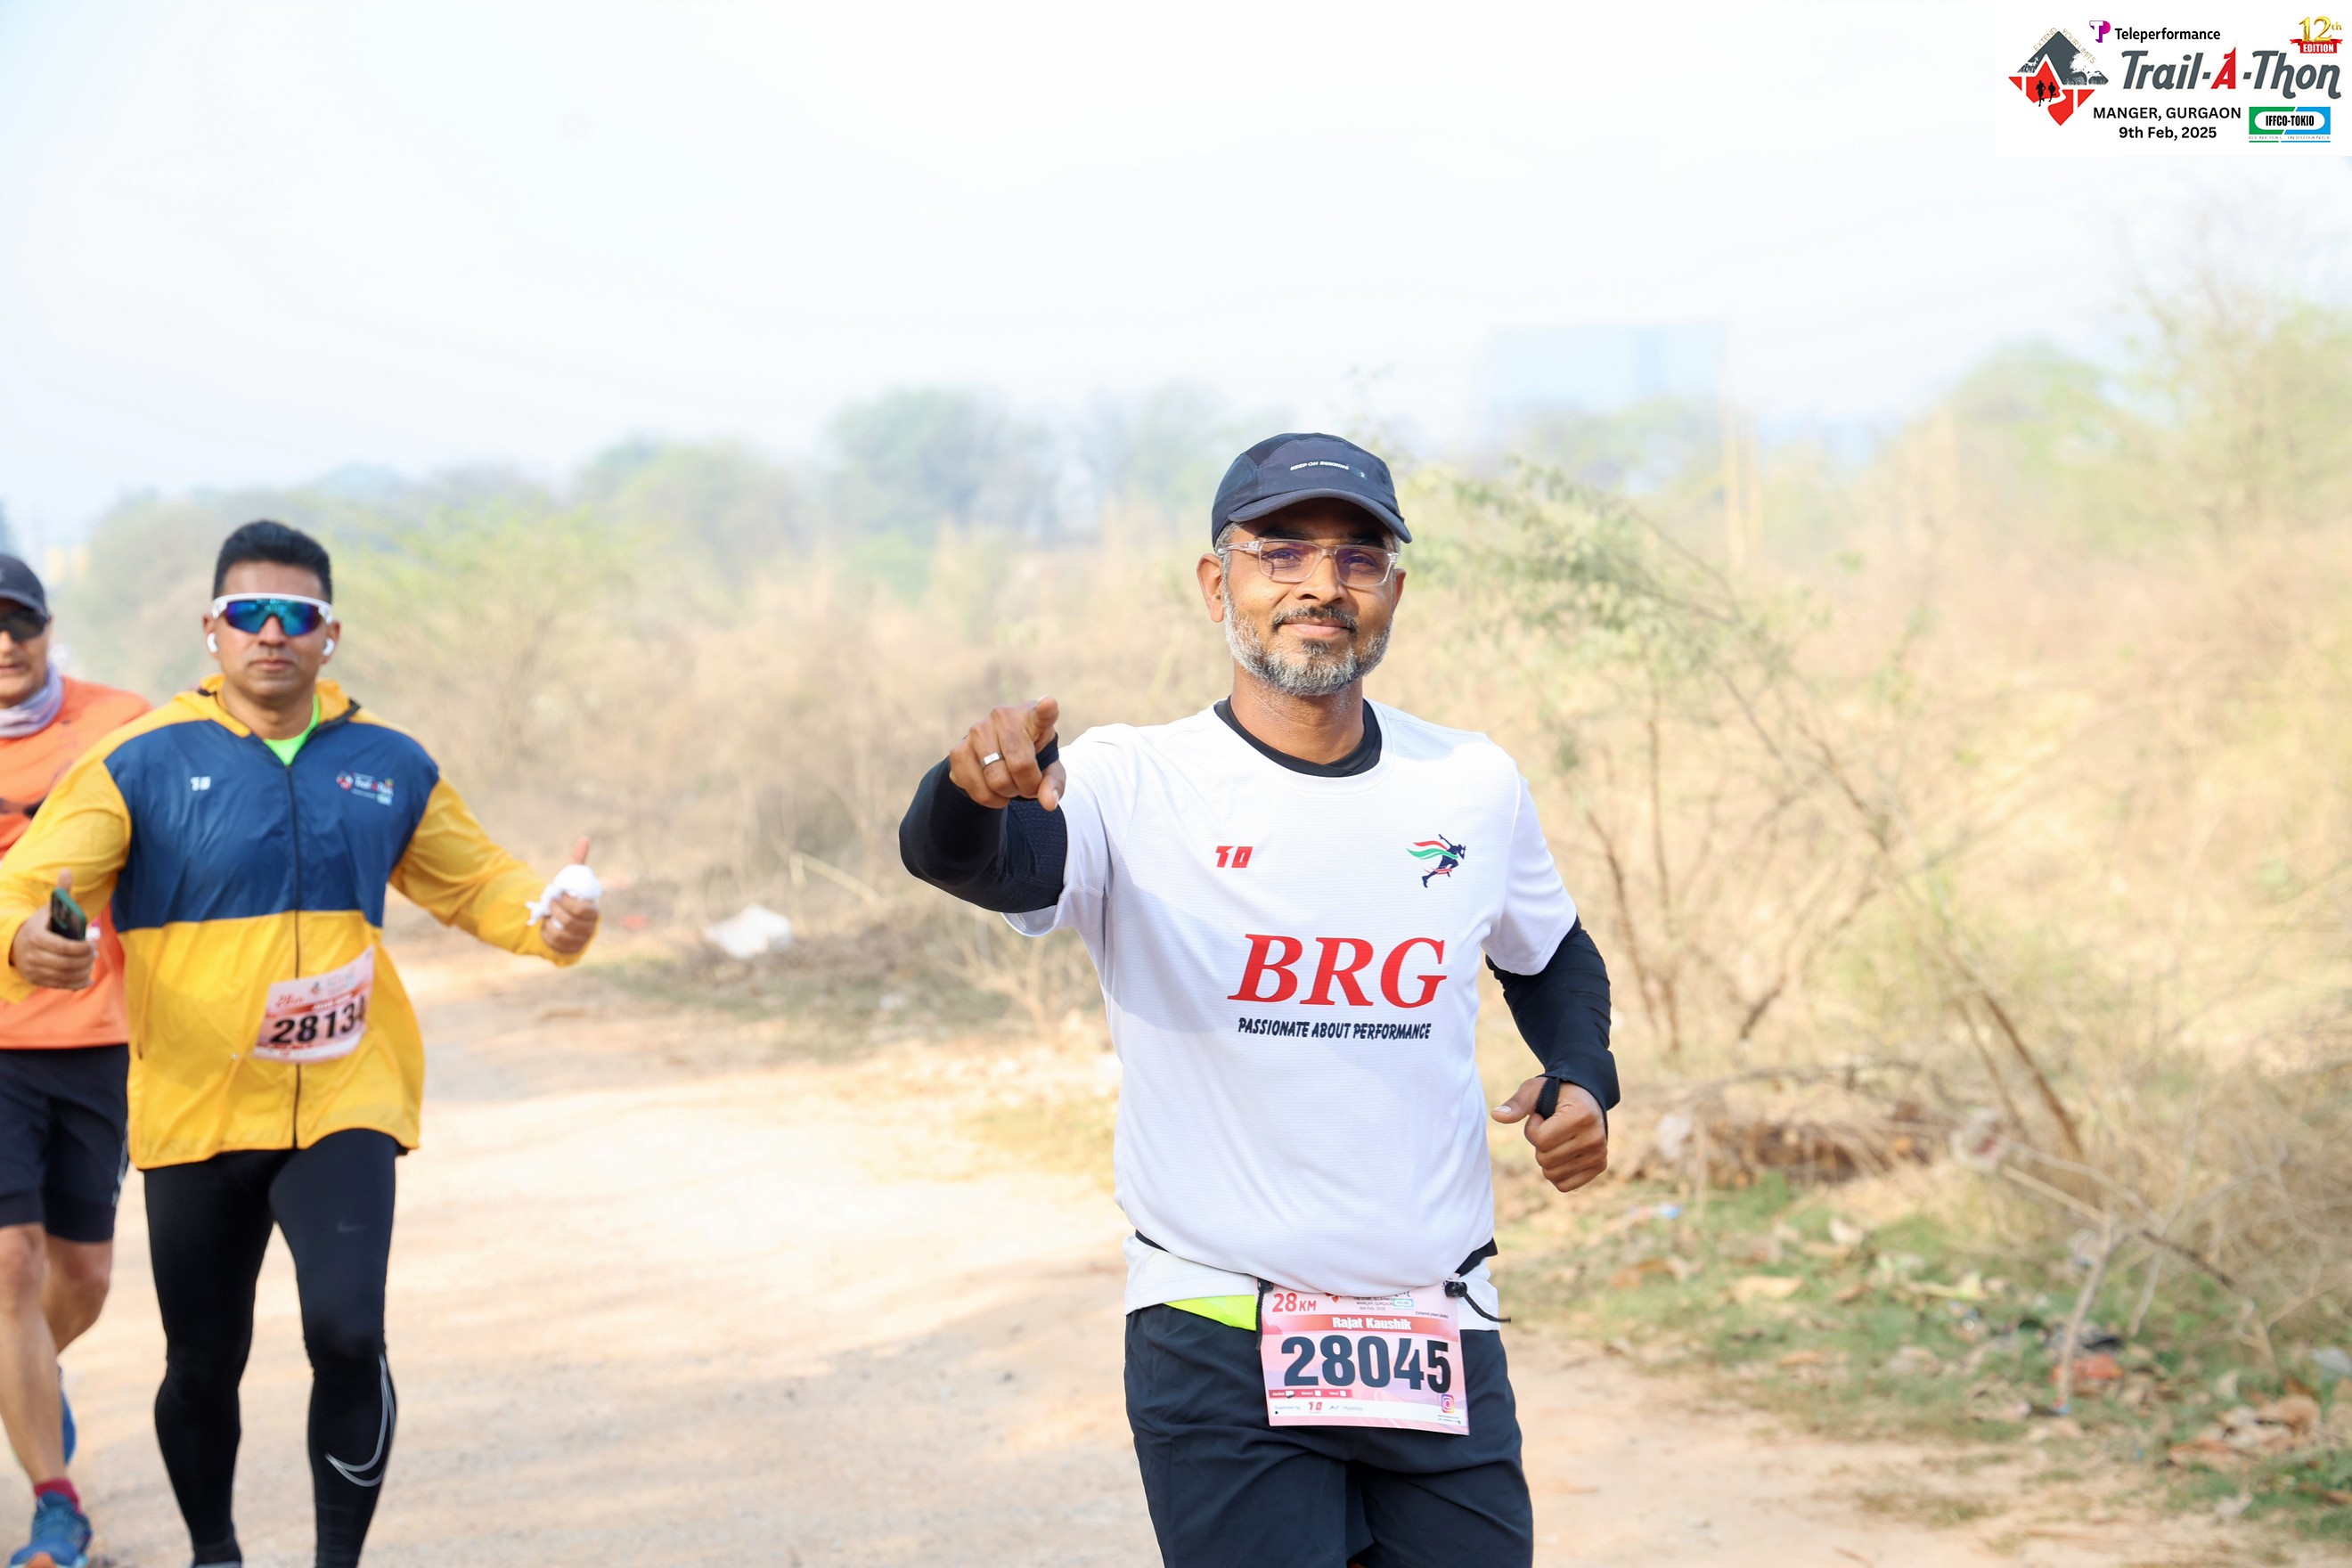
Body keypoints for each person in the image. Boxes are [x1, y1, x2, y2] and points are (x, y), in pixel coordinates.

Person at [900, 433, 1617, 1568]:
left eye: (1358, 556)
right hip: (1219, 1328)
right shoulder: (1134, 780)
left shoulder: (1470, 781)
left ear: (1393, 591)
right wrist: (964, 791)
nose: (1321, 583)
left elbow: (1551, 950)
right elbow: (979, 861)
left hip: (1436, 1327)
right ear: (1215, 582)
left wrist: (1582, 1074)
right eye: (1281, 550)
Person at [0, 521, 602, 1568]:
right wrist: (24, 940)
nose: (271, 632)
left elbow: (478, 881)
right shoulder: (138, 761)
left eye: (296, 614)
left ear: (331, 634)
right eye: (249, 613)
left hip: (344, 1093)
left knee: (350, 1333)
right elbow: (29, 885)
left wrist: (549, 917)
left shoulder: (388, 762)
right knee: (202, 1361)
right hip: (197, 1102)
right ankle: (216, 1552)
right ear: (212, 629)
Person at [0, 558, 149, 1568]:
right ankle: (57, 1505)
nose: (4, 643)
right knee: (10, 1260)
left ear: (49, 628)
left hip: (99, 1034)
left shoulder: (122, 724)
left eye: (20, 622)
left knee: (82, 1277)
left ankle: (25, 1378)